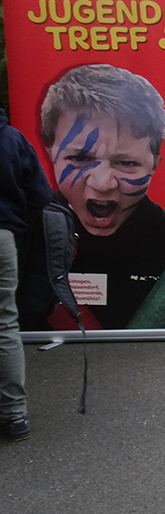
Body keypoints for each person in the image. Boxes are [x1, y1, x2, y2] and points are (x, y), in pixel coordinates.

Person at [39, 64, 165, 329]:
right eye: (80, 158)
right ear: (49, 152)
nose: (103, 184)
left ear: (154, 163)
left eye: (126, 163)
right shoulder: (31, 237)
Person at [0, 107, 52, 440]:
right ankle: (14, 415)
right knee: (5, 324)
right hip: (2, 236)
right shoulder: (11, 138)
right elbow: (41, 195)